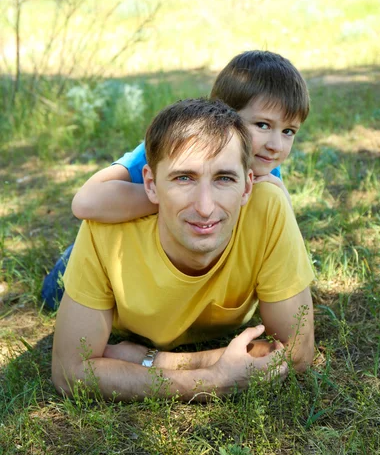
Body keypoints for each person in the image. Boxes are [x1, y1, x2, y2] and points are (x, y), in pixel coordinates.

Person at [51, 98, 314, 402]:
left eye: (224, 178)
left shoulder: (268, 207)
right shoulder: (104, 229)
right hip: (97, 266)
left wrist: (150, 359)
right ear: (150, 184)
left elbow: (296, 351)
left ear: (247, 186)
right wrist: (212, 380)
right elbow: (70, 372)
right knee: (55, 287)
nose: (205, 208)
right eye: (184, 178)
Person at [42, 50, 309, 308]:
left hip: (168, 281)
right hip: (112, 262)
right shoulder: (174, 149)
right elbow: (85, 203)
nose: (276, 144)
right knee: (55, 295)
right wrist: (172, 197)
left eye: (288, 131)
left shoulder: (264, 169)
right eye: (263, 125)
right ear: (222, 113)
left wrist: (280, 204)